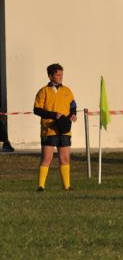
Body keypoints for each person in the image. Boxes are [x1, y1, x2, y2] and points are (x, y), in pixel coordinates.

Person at [33, 63, 77, 191]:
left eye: (62, 74)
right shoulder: (43, 91)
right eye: (58, 75)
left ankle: (67, 186)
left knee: (65, 158)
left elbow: (73, 105)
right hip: (49, 129)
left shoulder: (67, 90)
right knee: (47, 158)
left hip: (64, 129)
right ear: (50, 76)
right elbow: (37, 110)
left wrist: (73, 115)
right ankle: (41, 186)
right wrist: (54, 115)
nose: (61, 77)